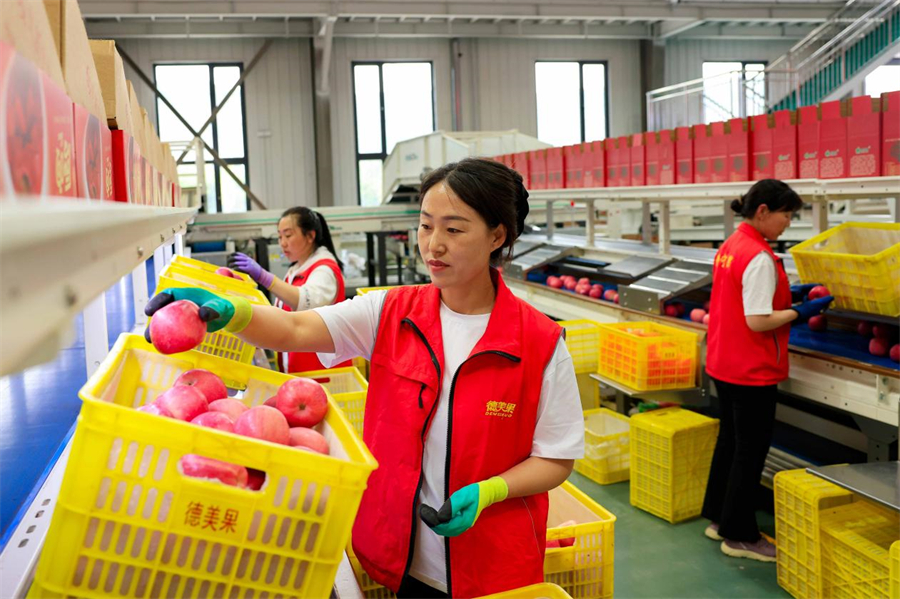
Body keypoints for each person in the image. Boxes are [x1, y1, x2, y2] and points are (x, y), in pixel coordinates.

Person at [145, 158, 585, 598]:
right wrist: (234, 313)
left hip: (493, 567)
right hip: (408, 559)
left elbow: (556, 457)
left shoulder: (541, 344)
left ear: (497, 235)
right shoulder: (391, 311)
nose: (433, 245)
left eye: (454, 230)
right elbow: (297, 328)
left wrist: (493, 490)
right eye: (426, 226)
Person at [703, 179, 833, 562]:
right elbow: (758, 320)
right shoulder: (759, 255)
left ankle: (718, 517)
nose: (788, 223)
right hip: (751, 367)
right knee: (750, 450)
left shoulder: (732, 245)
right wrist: (800, 311)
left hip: (724, 361)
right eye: (786, 215)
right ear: (763, 212)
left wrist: (788, 293)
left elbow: (746, 296)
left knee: (729, 441)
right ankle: (739, 534)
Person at [228, 207, 347, 373]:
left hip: (322, 373)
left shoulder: (324, 270)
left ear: (310, 236)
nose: (282, 243)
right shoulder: (296, 269)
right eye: (279, 236)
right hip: (300, 370)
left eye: (288, 235)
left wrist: (264, 277)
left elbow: (306, 301)